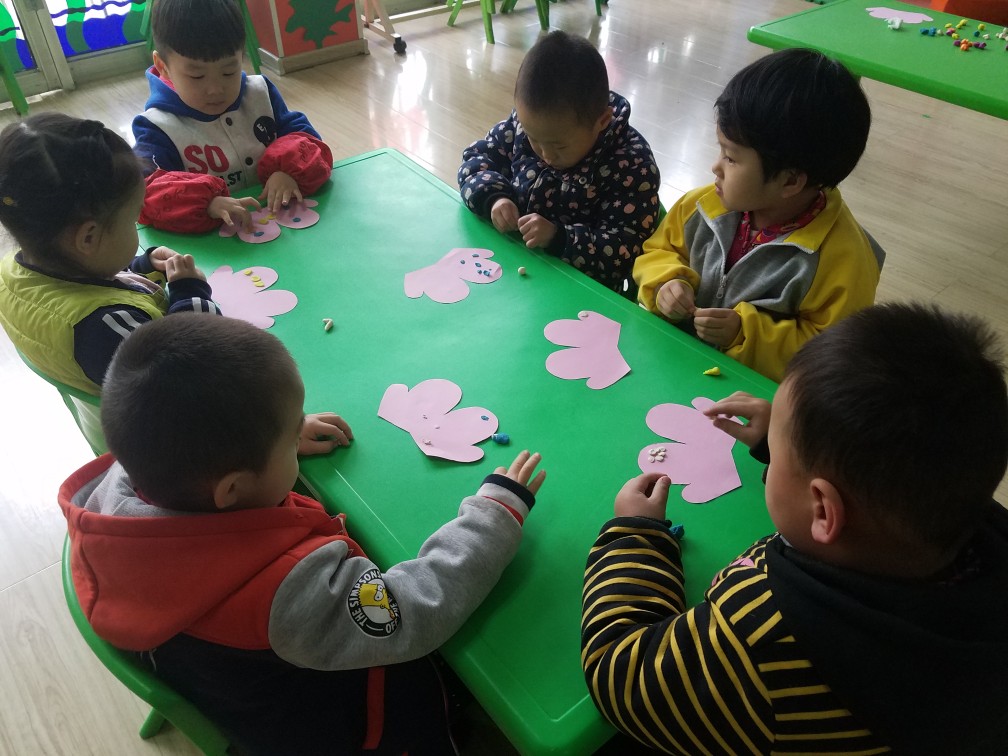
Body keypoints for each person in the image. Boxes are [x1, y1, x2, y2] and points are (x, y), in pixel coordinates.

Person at [59, 313, 546, 755]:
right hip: (348, 727)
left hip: (235, 686)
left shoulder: (128, 487)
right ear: (232, 488)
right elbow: (414, 610)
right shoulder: (288, 593)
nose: (296, 440)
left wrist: (265, 445)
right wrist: (493, 517)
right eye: (290, 438)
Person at [581, 302, 1008, 755]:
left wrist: (637, 537)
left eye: (780, 445)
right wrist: (791, 448)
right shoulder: (970, 519)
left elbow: (619, 676)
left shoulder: (760, 641)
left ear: (823, 510)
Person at [633, 48, 885, 381]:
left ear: (790, 181)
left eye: (731, 158)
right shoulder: (702, 206)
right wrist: (666, 282)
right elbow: (659, 250)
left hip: (752, 396)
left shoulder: (844, 261)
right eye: (721, 150)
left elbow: (831, 357)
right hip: (672, 365)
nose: (716, 167)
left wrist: (745, 334)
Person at [0, 113, 216, 396]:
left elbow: (83, 286)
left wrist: (139, 268)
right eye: (133, 218)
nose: (136, 224)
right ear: (88, 238)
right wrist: (191, 293)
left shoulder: (15, 271)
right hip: (160, 420)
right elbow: (197, 370)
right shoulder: (104, 329)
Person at [458, 30, 661, 299]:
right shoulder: (526, 125)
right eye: (533, 139)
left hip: (581, 294)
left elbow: (625, 251)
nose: (545, 155)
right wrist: (494, 197)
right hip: (517, 273)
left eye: (559, 146)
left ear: (602, 121)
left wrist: (559, 238)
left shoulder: (631, 166)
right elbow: (475, 161)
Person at [133, 0, 333, 233]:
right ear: (163, 66)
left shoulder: (260, 93)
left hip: (285, 227)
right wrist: (207, 204)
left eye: (229, 71)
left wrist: (287, 171)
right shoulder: (157, 126)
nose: (215, 89)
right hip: (213, 244)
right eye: (197, 76)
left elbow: (306, 139)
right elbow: (145, 192)